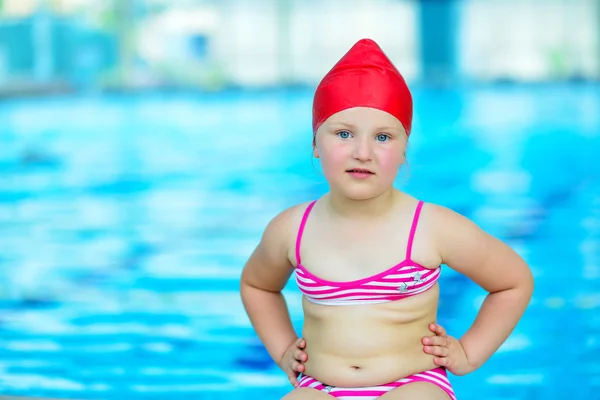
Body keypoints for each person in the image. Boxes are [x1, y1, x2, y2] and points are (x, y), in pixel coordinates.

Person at [240, 38, 534, 400]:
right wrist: (283, 348)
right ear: (316, 144)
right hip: (321, 386)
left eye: (382, 137)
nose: (362, 152)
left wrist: (469, 353)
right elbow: (258, 285)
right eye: (344, 133)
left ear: (403, 152)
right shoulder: (292, 229)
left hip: (413, 384)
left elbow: (512, 282)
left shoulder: (432, 227)